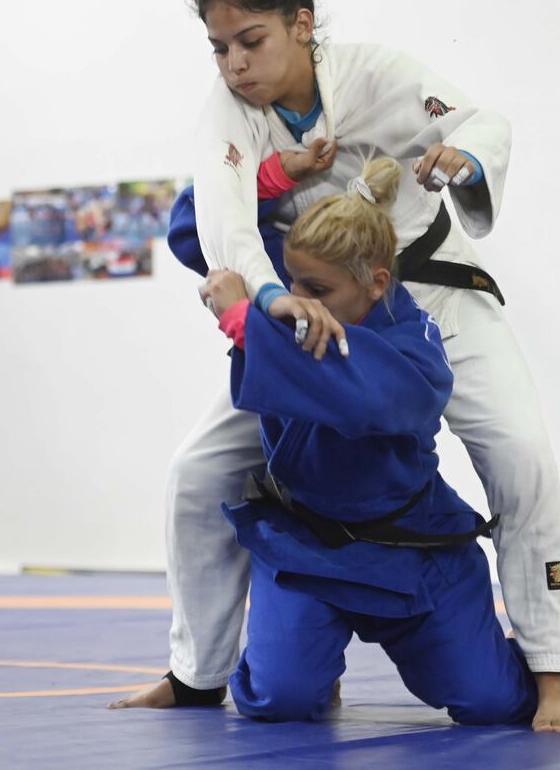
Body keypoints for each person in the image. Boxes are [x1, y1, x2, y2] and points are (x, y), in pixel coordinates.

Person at [111, 0, 560, 732]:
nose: (234, 63)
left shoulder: (380, 74)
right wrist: (267, 285)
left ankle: (553, 664)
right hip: (311, 314)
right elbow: (220, 222)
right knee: (198, 473)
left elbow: (482, 119)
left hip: (429, 288)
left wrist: (462, 155)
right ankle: (196, 673)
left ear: (302, 24)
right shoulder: (227, 118)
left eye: (251, 40)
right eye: (219, 47)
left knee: (518, 451)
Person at [203, 157, 539, 723]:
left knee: (493, 704)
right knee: (279, 698)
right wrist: (273, 177)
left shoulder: (417, 348)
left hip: (411, 550)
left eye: (318, 289)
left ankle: (528, 667)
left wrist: (243, 320)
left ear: (376, 283)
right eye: (290, 281)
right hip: (306, 546)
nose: (299, 297)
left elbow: (361, 398)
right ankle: (313, 664)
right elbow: (197, 220)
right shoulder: (288, 302)